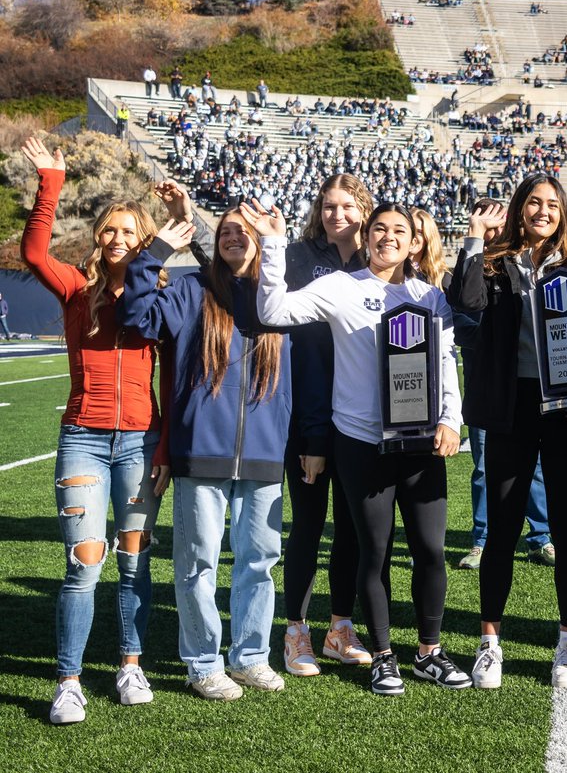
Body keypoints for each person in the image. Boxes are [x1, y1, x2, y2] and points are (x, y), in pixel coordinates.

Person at [256, 200, 471, 696]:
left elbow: (444, 365)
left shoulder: (428, 296)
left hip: (419, 443)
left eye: (400, 230)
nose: (389, 237)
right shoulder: (339, 286)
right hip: (360, 442)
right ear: (366, 235)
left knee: (431, 551)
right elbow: (272, 310)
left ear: (415, 241)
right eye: (380, 229)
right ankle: (383, 656)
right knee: (373, 552)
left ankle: (429, 652)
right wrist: (272, 244)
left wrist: (450, 420)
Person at [19, 137, 172, 724]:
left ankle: (130, 665)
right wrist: (51, 181)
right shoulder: (74, 290)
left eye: (130, 232)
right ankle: (69, 680)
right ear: (99, 238)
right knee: (85, 560)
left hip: (139, 441)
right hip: (82, 434)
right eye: (110, 230)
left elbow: (174, 377)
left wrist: (167, 446)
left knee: (134, 558)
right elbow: (34, 252)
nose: (118, 240)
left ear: (144, 240)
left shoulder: (158, 293)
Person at [448, 175, 567, 690]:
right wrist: (475, 239)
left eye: (552, 204)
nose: (543, 211)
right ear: (520, 210)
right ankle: (489, 643)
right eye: (534, 203)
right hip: (511, 405)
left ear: (563, 211)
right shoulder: (495, 262)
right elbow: (467, 304)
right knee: (501, 529)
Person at [122, 200, 294, 702]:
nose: (234, 237)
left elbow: (298, 381)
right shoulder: (191, 289)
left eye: (245, 231)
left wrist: (300, 442)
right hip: (201, 452)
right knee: (197, 564)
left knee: (260, 560)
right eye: (225, 231)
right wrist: (154, 253)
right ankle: (203, 662)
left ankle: (251, 657)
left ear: (261, 240)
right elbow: (136, 316)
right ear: (213, 242)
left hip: (265, 454)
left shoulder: (276, 297)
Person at [278, 175, 374, 678]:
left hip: (361, 418)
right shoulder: (299, 256)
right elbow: (306, 353)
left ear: (365, 209)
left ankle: (340, 627)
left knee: (354, 531)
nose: (337, 214)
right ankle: (296, 630)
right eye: (328, 205)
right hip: (311, 415)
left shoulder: (380, 257)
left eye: (347, 205)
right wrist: (313, 435)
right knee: (309, 525)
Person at [438, 202, 556, 572]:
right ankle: (481, 539)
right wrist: (491, 337)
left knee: (535, 465)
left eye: (498, 225)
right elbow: (460, 311)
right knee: (485, 465)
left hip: (526, 385)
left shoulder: (515, 267)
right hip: (488, 387)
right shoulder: (467, 270)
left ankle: (540, 536)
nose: (492, 232)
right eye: (485, 226)